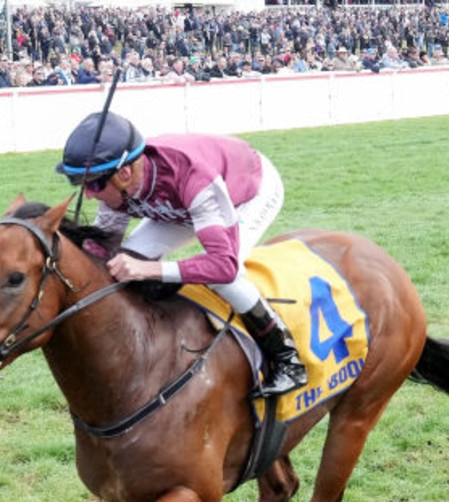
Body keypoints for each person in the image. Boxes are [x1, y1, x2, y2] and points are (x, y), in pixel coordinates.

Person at [54, 111, 307, 397]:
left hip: (246, 193)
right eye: (79, 184)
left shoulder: (193, 178)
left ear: (125, 173)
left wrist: (150, 270)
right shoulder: (118, 184)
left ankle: (288, 359)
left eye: (94, 184)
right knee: (128, 259)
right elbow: (104, 250)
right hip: (182, 204)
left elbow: (223, 265)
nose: (88, 194)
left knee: (224, 278)